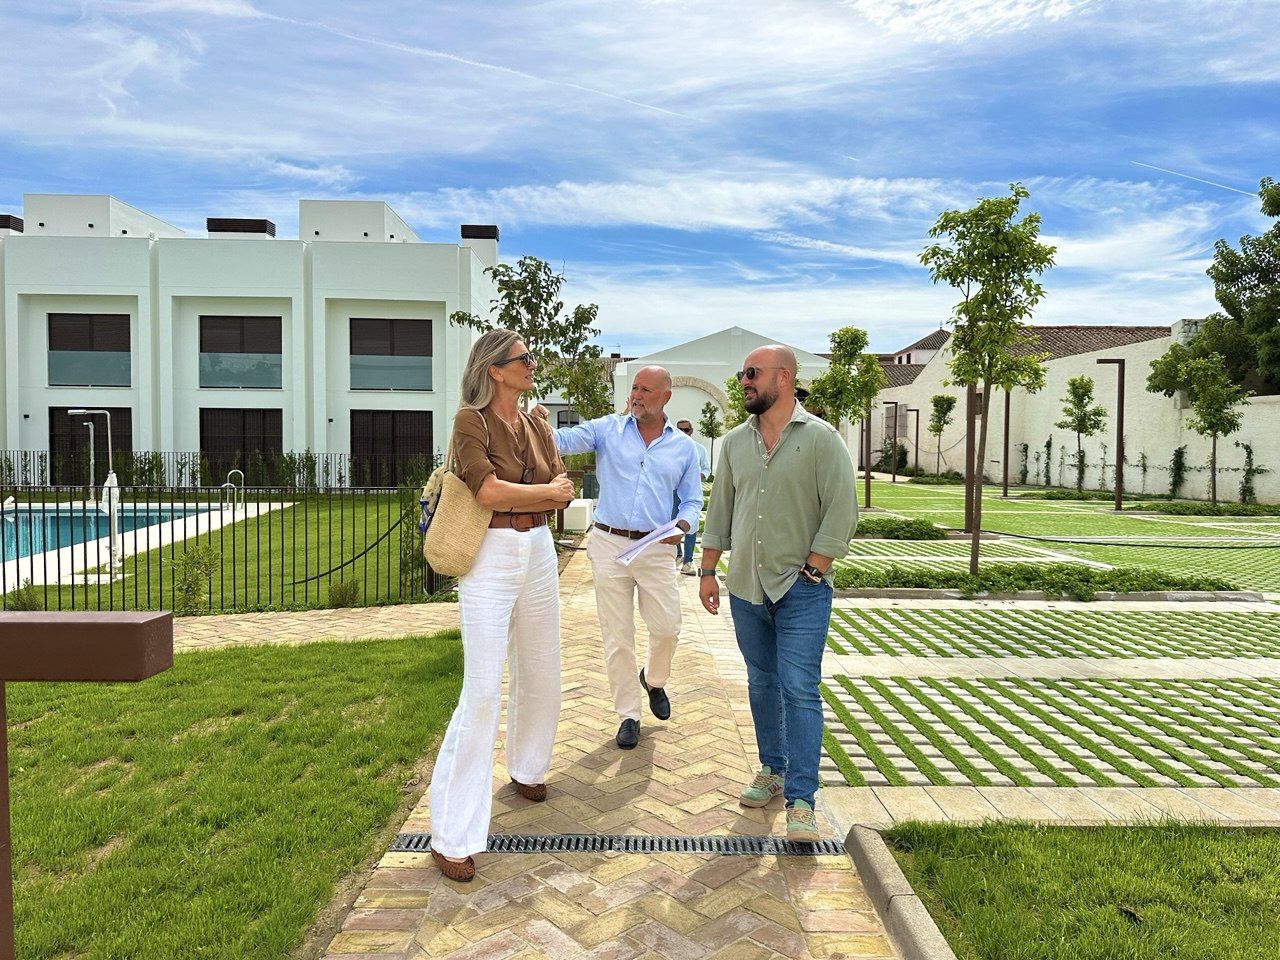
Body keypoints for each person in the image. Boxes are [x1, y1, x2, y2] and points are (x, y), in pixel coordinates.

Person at [428, 330, 574, 882]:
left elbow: (557, 481)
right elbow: (487, 493)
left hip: (537, 549)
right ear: (495, 369)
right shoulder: (472, 421)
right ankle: (452, 833)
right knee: (483, 688)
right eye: (524, 359)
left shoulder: (537, 422)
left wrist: (537, 495)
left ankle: (529, 766)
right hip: (489, 553)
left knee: (541, 669)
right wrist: (544, 495)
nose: (533, 365)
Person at [698, 345, 855, 842]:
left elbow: (842, 512)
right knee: (762, 683)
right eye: (742, 373)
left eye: (752, 373)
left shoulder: (823, 439)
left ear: (783, 378)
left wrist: (814, 570)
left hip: (801, 590)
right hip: (745, 586)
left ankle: (803, 798)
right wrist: (706, 569)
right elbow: (720, 509)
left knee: (799, 687)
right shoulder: (734, 444)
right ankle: (771, 769)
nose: (743, 381)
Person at [550, 366, 702, 749]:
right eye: (634, 388)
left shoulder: (683, 447)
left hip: (655, 546)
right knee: (617, 635)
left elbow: (692, 500)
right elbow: (560, 440)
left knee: (667, 628)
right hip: (608, 544)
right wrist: (528, 420)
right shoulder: (607, 429)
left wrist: (682, 525)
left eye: (646, 390)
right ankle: (629, 715)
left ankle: (652, 679)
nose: (636, 395)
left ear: (665, 396)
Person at [673, 419, 711, 576]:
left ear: (691, 430)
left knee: (691, 524)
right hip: (673, 492)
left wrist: (700, 475)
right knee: (673, 522)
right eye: (680, 429)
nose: (683, 432)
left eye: (686, 430)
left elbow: (707, 469)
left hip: (692, 492)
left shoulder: (699, 449)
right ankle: (678, 554)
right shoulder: (670, 448)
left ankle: (688, 561)